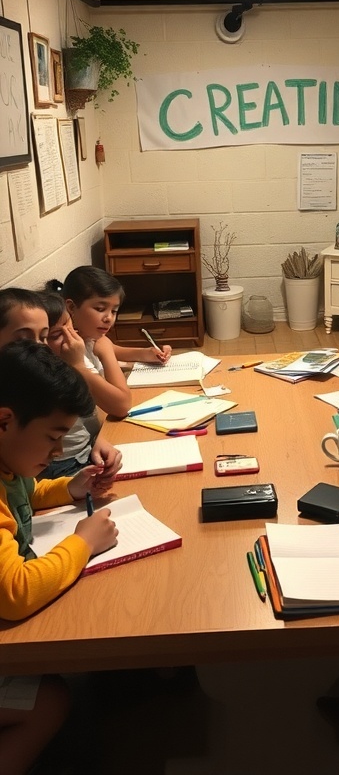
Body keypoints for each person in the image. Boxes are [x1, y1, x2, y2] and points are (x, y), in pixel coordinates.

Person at [0, 340, 119, 774]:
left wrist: (70, 487)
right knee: (48, 701)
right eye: (52, 440)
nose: (56, 455)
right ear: (5, 421)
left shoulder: (8, 464)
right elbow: (15, 593)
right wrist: (83, 542)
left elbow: (26, 494)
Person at [38, 267, 171, 480]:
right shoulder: (66, 353)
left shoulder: (84, 338)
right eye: (100, 309)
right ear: (71, 308)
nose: (108, 318)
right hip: (66, 464)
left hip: (93, 443)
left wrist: (146, 353)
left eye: (114, 311)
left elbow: (111, 349)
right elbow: (121, 405)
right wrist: (106, 351)